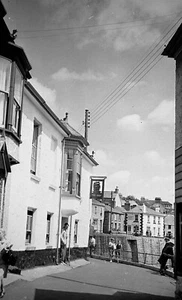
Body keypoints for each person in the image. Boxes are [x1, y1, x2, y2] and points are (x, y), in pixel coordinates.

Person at [0, 229, 13, 298]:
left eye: (0, 233)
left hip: (3, 263)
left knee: (0, 276)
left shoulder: (6, 242)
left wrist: (7, 249)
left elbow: (10, 246)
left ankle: (1, 292)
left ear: (3, 234)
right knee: (1, 278)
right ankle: (2, 289)